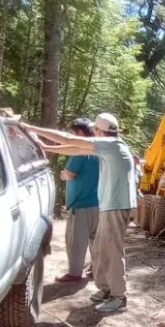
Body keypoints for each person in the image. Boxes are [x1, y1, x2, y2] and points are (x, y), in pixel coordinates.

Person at [29, 113, 137, 315]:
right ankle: (106, 290)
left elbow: (70, 140)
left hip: (115, 206)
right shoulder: (112, 145)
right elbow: (77, 148)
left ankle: (118, 296)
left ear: (98, 131)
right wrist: (48, 147)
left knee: (112, 251)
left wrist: (30, 128)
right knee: (101, 248)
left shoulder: (111, 145)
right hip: (111, 205)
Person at [55, 118, 99, 283]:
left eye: (72, 132)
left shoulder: (80, 150)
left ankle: (74, 273)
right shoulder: (99, 149)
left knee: (76, 242)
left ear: (79, 133)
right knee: (96, 240)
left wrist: (62, 174)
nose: (70, 135)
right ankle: (97, 270)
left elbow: (70, 173)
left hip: (81, 204)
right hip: (99, 204)